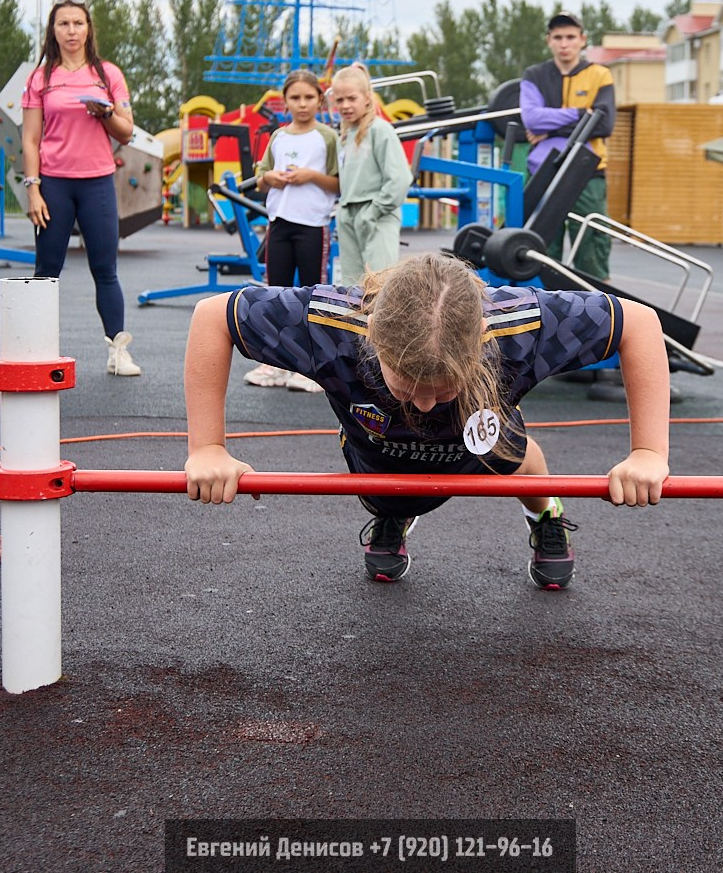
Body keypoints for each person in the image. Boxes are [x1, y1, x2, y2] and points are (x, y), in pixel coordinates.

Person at [183, 252, 669, 589]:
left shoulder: (524, 327)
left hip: (479, 436)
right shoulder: (328, 325)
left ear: (482, 334)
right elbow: (213, 316)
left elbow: (640, 323)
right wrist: (208, 447)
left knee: (518, 460)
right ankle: (394, 514)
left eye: (442, 388)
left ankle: (546, 516)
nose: (423, 406)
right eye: (407, 386)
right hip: (376, 448)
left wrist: (648, 452)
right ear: (372, 334)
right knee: (390, 490)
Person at [19, 0, 139, 376]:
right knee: (46, 270)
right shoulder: (41, 77)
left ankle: (118, 351)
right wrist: (33, 188)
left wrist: (105, 113)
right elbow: (30, 139)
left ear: (89, 29)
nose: (72, 31)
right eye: (63, 24)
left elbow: (127, 130)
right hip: (53, 183)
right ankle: (34, 353)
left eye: (78, 23)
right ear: (53, 31)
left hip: (98, 183)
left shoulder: (107, 75)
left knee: (105, 269)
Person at [245, 70, 339, 392]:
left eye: (309, 98)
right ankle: (276, 363)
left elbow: (339, 182)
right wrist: (271, 178)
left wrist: (310, 176)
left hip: (313, 223)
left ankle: (311, 366)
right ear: (285, 101)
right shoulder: (279, 137)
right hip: (279, 222)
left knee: (314, 293)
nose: (302, 104)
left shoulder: (327, 137)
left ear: (319, 100)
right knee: (276, 294)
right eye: (295, 98)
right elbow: (259, 177)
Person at [518, 12, 616, 281]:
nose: (564, 44)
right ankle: (544, 310)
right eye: (558, 37)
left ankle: (599, 310)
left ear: (583, 40)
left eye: (571, 37)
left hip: (589, 172)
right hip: (544, 170)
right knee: (542, 247)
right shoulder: (534, 75)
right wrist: (582, 114)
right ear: (549, 40)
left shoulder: (600, 75)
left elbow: (605, 124)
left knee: (592, 244)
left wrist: (550, 128)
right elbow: (531, 119)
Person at [327, 64, 410, 285]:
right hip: (348, 215)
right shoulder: (343, 136)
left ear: (367, 97)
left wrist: (374, 211)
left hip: (377, 215)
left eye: (351, 98)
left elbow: (400, 178)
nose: (345, 105)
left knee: (379, 284)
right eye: (339, 100)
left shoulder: (380, 130)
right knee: (351, 285)